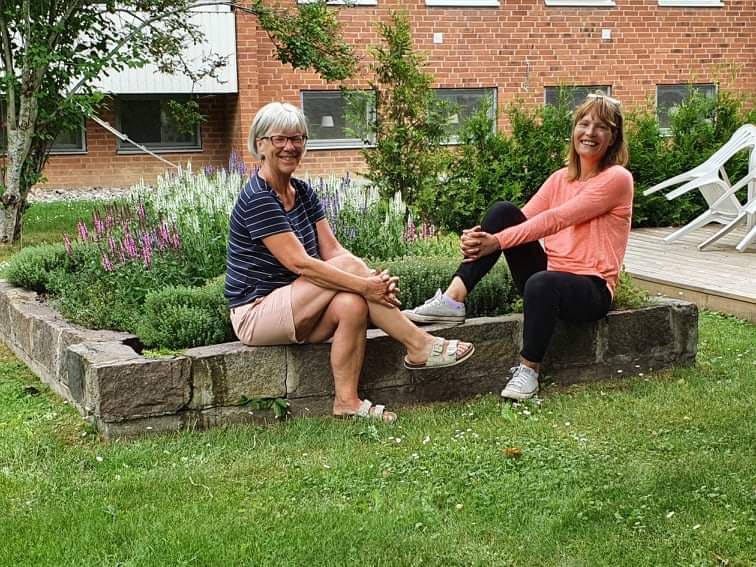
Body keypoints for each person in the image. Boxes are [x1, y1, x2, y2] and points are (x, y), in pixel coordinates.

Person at [225, 102, 474, 423]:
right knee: (356, 284)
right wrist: (368, 285)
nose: (290, 147)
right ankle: (419, 344)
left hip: (299, 304)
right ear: (260, 144)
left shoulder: (302, 192)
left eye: (297, 138)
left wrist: (371, 281)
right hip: (257, 313)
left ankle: (347, 402)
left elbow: (333, 251)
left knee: (352, 305)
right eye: (279, 139)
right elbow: (302, 264)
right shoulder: (258, 198)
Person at [405, 94, 633, 401]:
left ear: (613, 137)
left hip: (591, 289)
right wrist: (479, 238)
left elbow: (557, 219)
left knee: (541, 282)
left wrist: (496, 242)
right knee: (503, 212)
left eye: (601, 127)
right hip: (550, 279)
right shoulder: (560, 179)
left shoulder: (617, 178)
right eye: (584, 123)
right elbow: (522, 222)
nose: (590, 133)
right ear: (574, 129)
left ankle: (528, 371)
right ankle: (452, 300)